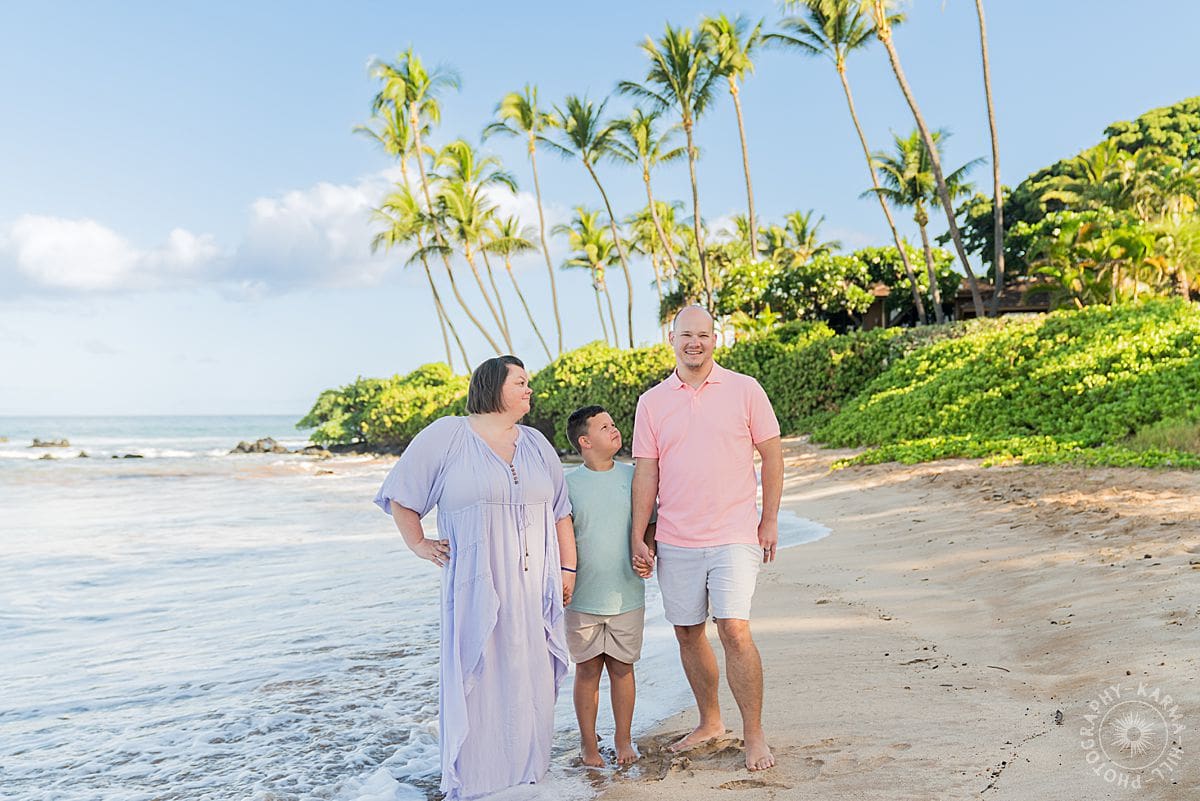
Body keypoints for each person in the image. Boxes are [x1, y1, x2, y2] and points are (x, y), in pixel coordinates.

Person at [373, 355, 577, 800]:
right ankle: (481, 781)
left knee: (532, 675)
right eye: (520, 382)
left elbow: (561, 511)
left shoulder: (537, 442)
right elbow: (402, 495)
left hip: (534, 586)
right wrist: (418, 544)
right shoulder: (447, 435)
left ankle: (527, 776)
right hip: (477, 584)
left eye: (528, 383)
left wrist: (568, 568)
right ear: (492, 386)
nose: (528, 389)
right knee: (479, 673)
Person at [630, 305, 783, 772]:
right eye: (685, 335)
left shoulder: (745, 389)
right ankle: (711, 721)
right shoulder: (651, 402)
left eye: (703, 335)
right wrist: (640, 535)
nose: (694, 342)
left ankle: (755, 736)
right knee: (687, 631)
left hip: (735, 534)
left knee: (734, 628)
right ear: (671, 339)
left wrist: (770, 520)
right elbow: (646, 473)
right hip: (676, 538)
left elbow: (772, 457)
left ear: (715, 339)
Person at [563, 405, 655, 768]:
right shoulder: (567, 483)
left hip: (627, 592)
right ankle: (588, 744)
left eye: (614, 424)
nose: (614, 430)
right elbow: (560, 537)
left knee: (622, 668)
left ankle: (623, 738)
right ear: (585, 441)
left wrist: (648, 547)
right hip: (583, 596)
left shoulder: (634, 476)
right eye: (604, 427)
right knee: (587, 671)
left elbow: (651, 521)